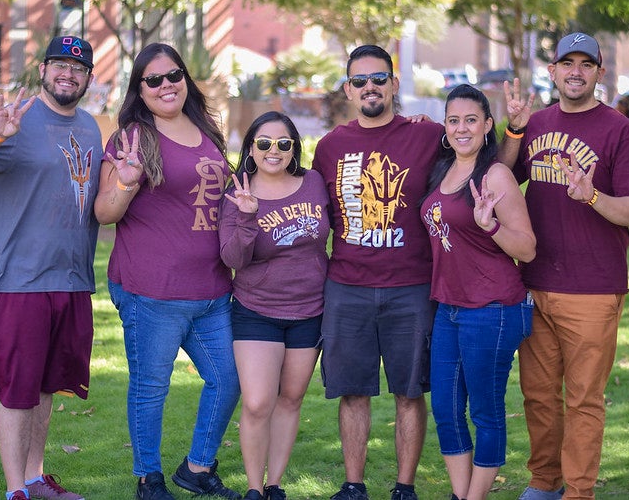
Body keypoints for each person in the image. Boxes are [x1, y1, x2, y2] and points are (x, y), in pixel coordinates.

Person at [498, 32, 629, 500]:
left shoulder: (618, 130)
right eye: (566, 63)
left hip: (592, 287)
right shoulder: (536, 121)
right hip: (534, 281)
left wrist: (591, 195)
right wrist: (512, 131)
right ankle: (545, 482)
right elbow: (504, 176)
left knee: (584, 399)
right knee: (539, 396)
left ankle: (579, 492)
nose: (575, 71)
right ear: (552, 71)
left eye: (585, 64)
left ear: (598, 74)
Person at [0, 35, 101, 500]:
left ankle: (35, 479)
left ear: (88, 77)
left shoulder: (91, 127)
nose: (68, 74)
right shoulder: (17, 119)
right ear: (42, 69)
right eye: (59, 64)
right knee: (17, 391)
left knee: (47, 388)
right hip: (21, 282)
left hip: (72, 280)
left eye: (77, 68)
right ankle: (16, 491)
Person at [93, 42, 241, 500]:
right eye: (152, 79)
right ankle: (148, 478)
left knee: (228, 378)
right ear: (140, 89)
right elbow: (104, 212)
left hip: (212, 290)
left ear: (185, 79)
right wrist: (126, 181)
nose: (165, 85)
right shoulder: (132, 140)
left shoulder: (206, 130)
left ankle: (197, 467)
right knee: (150, 387)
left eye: (173, 75)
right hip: (152, 290)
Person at [311, 44, 445, 500]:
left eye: (379, 78)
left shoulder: (429, 137)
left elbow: (477, 164)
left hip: (411, 285)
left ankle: (404, 487)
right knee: (352, 391)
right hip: (346, 286)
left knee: (411, 392)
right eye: (360, 80)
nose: (370, 87)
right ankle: (354, 485)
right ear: (349, 89)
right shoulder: (330, 147)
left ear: (394, 82)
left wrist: (517, 130)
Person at [421, 85, 536, 500]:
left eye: (471, 119)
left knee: (486, 413)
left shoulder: (496, 175)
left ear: (488, 126)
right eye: (454, 120)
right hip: (448, 306)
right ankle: (460, 493)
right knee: (447, 411)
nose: (462, 128)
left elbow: (527, 247)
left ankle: (475, 497)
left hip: (492, 308)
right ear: (445, 127)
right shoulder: (442, 169)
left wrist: (490, 225)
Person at [219, 111, 330, 500]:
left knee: (290, 399)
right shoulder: (238, 193)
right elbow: (233, 258)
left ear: (294, 148)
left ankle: (275, 484)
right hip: (256, 310)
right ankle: (253, 487)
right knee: (257, 402)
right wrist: (248, 217)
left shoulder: (313, 182)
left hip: (310, 310)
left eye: (283, 143)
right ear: (251, 148)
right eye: (264, 143)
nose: (273, 151)